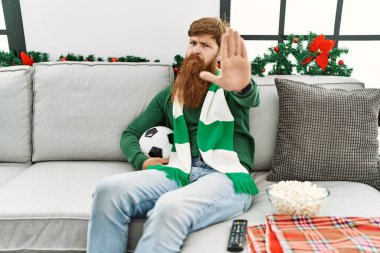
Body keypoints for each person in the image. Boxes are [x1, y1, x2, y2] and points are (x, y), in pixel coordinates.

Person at [87, 17, 260, 253]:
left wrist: (243, 85)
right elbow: (130, 133)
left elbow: (250, 97)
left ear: (220, 54)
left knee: (169, 207)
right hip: (181, 170)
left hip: (226, 177)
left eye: (206, 45)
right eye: (193, 43)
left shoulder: (229, 86)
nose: (196, 50)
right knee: (108, 190)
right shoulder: (169, 97)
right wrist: (143, 160)